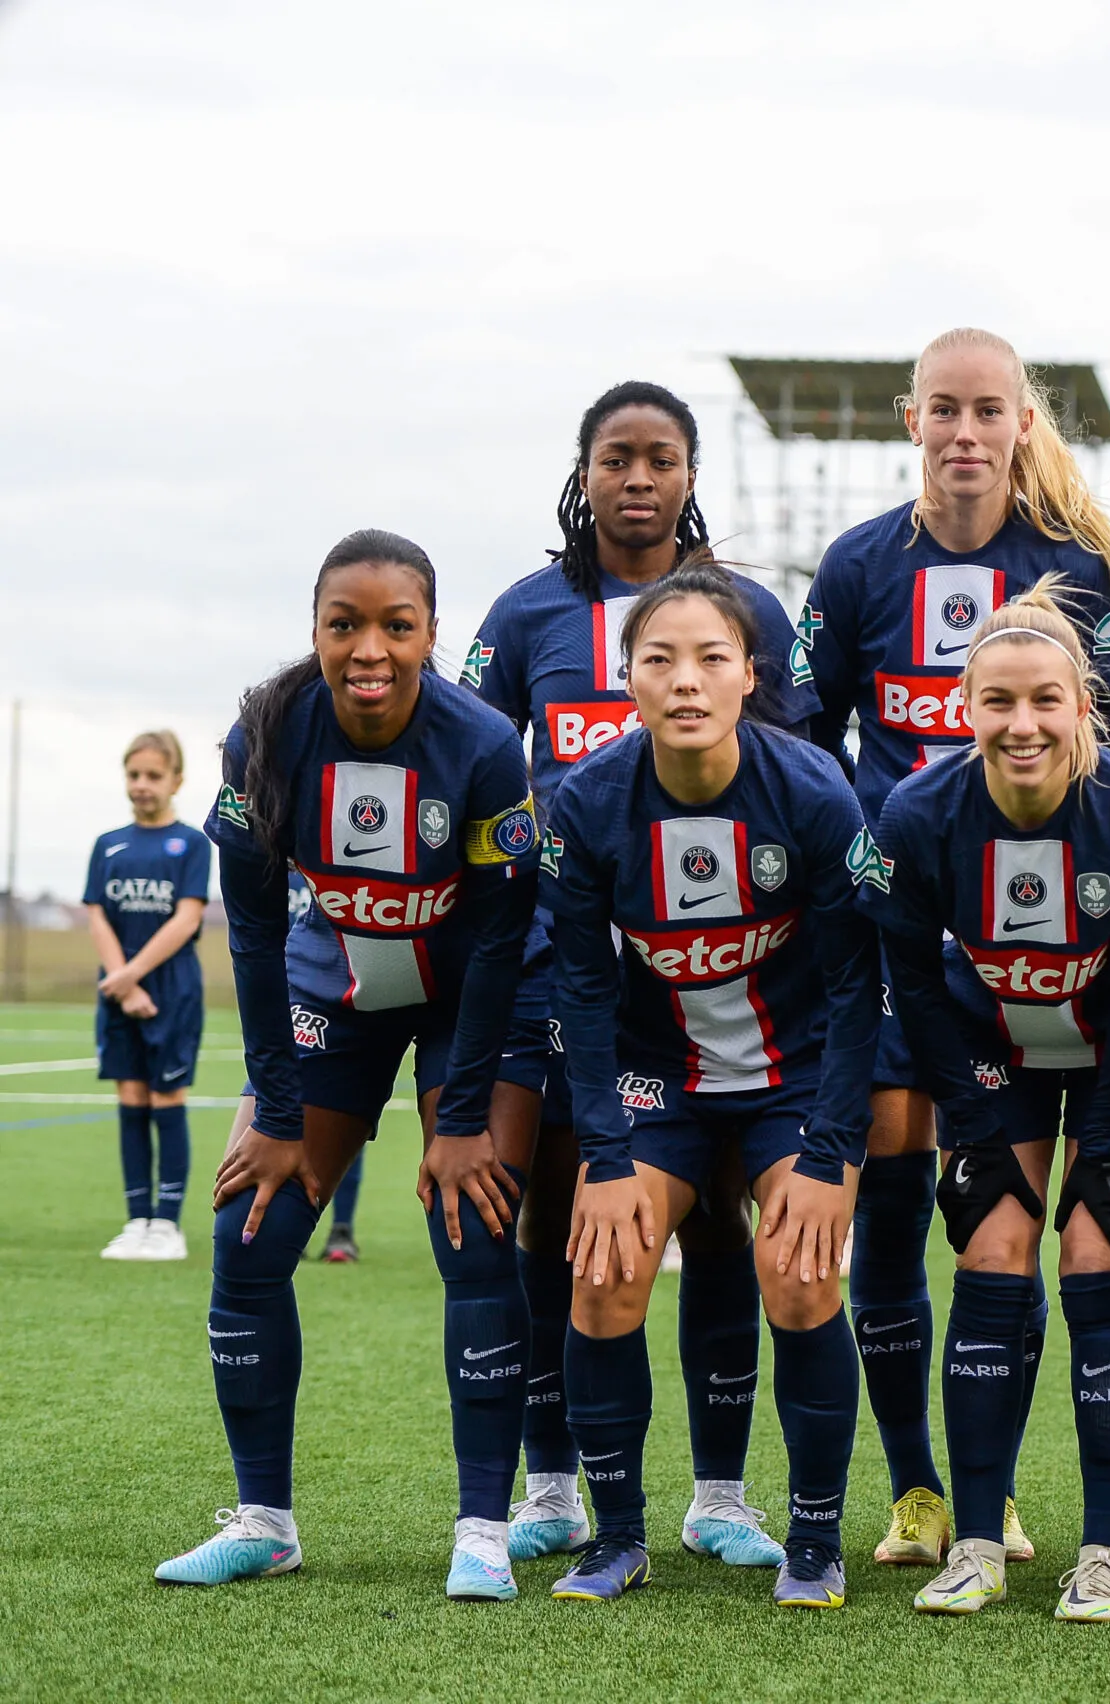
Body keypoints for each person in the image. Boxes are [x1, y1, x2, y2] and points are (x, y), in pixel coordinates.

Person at [469, 379, 820, 1571]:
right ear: (584, 471)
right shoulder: (525, 616)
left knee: (724, 1226)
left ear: (688, 473)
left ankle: (720, 1496)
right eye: (615, 457)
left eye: (660, 458)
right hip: (578, 974)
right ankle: (558, 1487)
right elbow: (473, 761)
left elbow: (795, 775)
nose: (637, 478)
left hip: (739, 992)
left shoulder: (756, 611)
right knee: (570, 1223)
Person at [799, 327, 1110, 1571]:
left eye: (987, 410)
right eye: (943, 409)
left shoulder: (1077, 568)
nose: (963, 432)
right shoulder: (854, 566)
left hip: (1039, 950)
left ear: (1021, 425)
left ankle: (997, 1487)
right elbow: (800, 733)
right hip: (906, 947)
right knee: (893, 1209)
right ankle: (921, 1490)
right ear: (911, 420)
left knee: (1016, 1218)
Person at [163, 530, 541, 1600]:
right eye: (344, 624)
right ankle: (264, 1521)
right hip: (338, 995)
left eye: (395, 625)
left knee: (474, 1231)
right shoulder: (265, 736)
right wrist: (276, 1109)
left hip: (466, 1003)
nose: (368, 648)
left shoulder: (479, 746)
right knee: (249, 1232)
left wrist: (460, 1113)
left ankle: (482, 1528)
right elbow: (248, 932)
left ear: (432, 634)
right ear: (315, 631)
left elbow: (501, 939)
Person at [542, 564, 878, 1608]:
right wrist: (601, 1157)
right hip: (661, 1080)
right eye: (659, 660)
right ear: (625, 680)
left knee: (800, 1272)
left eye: (711, 660)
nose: (685, 681)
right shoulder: (587, 803)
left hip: (796, 1076)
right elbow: (582, 994)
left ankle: (813, 1541)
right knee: (602, 1274)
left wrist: (828, 1157)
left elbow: (858, 990)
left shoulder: (815, 792)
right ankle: (619, 1537)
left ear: (749, 679)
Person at [859, 583, 1110, 1621]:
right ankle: (975, 1545)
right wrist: (967, 1127)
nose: (1022, 724)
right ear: (965, 707)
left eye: (1045, 700)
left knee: (1097, 1259)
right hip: (990, 1050)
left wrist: (1100, 1146)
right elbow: (912, 982)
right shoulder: (917, 812)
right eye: (997, 702)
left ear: (1082, 704)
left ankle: (1107, 1553)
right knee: (990, 1255)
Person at [87, 731, 211, 1262]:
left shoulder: (192, 843)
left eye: (153, 776)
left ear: (176, 780)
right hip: (118, 991)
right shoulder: (108, 844)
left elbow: (187, 917)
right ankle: (137, 1220)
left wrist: (134, 976)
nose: (142, 785)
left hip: (170, 990)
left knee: (166, 1099)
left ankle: (168, 1224)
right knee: (130, 1100)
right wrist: (121, 981)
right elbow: (96, 912)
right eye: (134, 775)